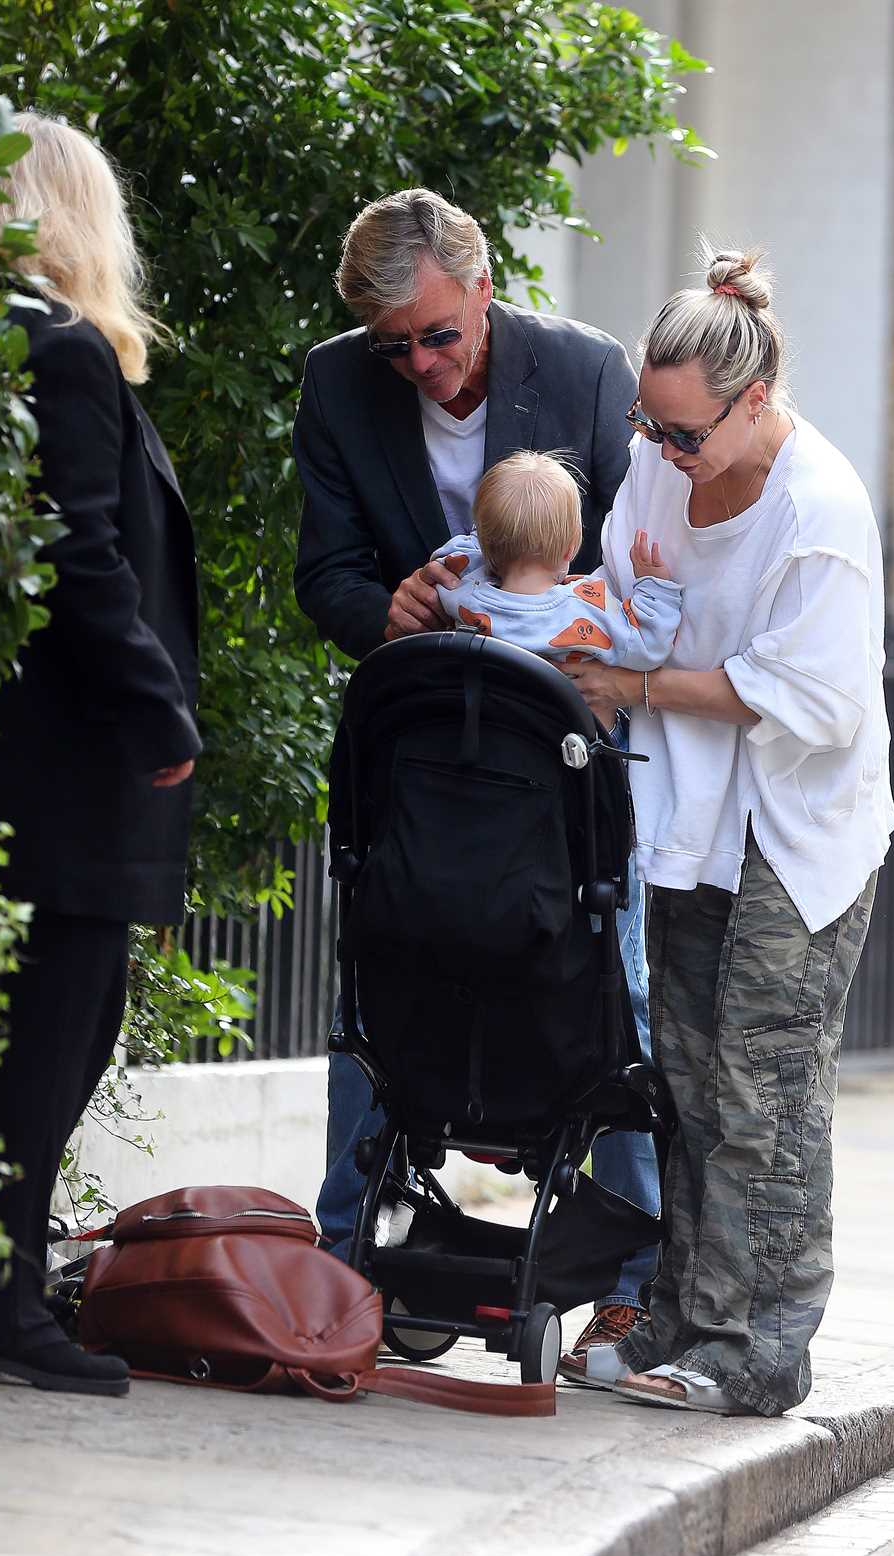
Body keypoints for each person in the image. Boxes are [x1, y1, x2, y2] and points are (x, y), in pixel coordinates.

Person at [292, 187, 660, 1367]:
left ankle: (637, 1276)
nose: (418, 366)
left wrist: (592, 635)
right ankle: (345, 1251)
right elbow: (326, 573)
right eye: (392, 346)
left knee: (619, 992)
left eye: (438, 337)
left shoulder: (589, 375)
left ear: (485, 289)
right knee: (383, 974)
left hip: (561, 758)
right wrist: (384, 609)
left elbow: (638, 548)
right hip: (426, 748)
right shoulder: (338, 384)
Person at [0, 113, 201, 1397]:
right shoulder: (59, 350)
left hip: (5, 762)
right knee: (45, 1040)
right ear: (77, 214)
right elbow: (78, 554)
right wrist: (155, 708)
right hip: (62, 764)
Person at [561, 244, 894, 1414]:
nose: (658, 453)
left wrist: (639, 686)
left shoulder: (819, 509)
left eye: (683, 433)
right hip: (692, 816)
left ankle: (760, 1348)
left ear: (755, 402)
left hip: (796, 836)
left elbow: (812, 700)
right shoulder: (659, 472)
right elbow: (622, 593)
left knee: (765, 1086)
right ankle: (680, 1314)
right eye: (647, 429)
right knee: (684, 1079)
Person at [431, 449, 682, 670]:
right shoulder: (586, 608)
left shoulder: (461, 588)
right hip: (564, 724)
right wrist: (654, 586)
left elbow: (451, 553)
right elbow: (649, 646)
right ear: (570, 549)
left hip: (486, 719)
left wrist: (486, 537)